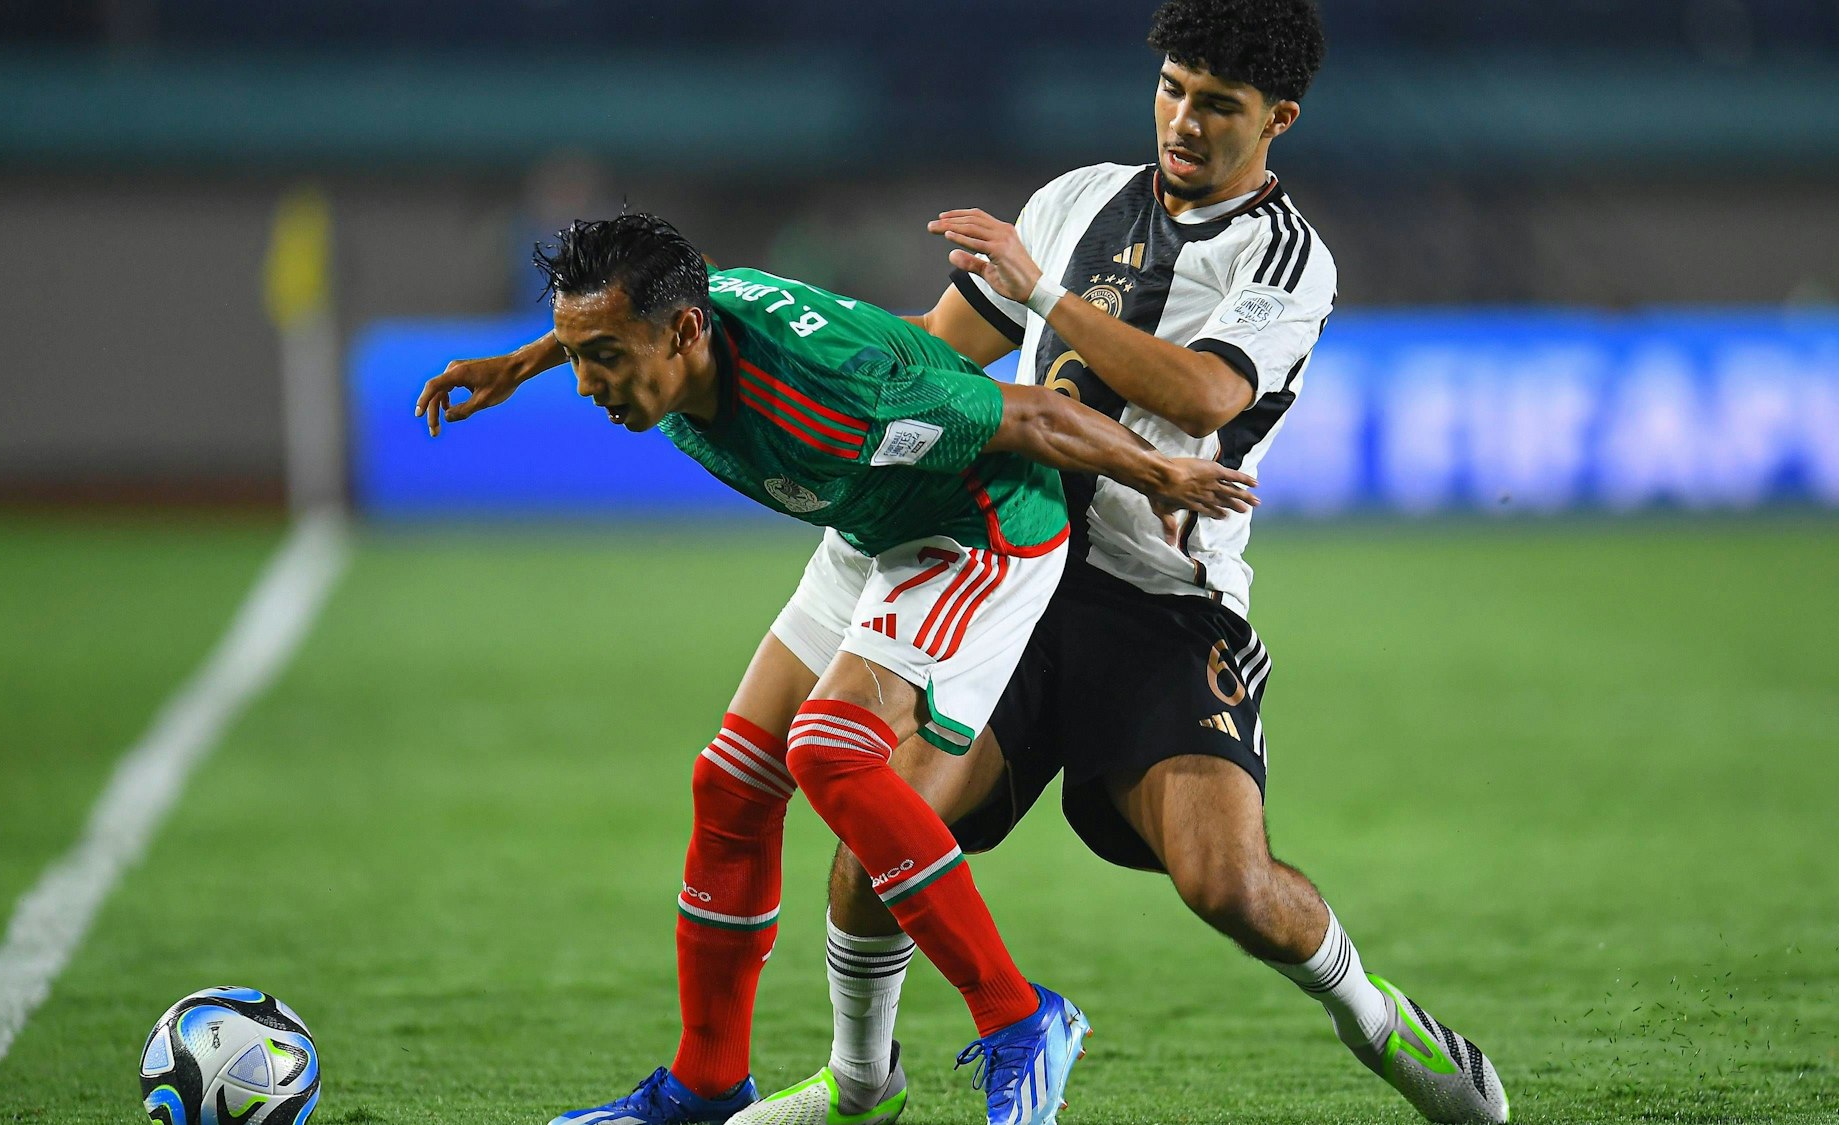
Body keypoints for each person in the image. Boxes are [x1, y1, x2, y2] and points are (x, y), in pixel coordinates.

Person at [735, 2, 1509, 1124]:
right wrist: (787, 360)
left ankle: (1375, 1018)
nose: (1182, 121)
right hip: (1011, 578)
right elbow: (935, 349)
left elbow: (1202, 393)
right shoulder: (1074, 199)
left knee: (1226, 884)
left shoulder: (1284, 256)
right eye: (1171, 89)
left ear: (1276, 119)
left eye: (1217, 105)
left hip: (1161, 608)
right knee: (880, 825)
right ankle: (860, 1085)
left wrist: (1045, 295)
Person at [413, 213, 1260, 1125]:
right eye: (580, 354)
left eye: (606, 358)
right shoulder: (681, 317)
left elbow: (1037, 415)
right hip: (873, 520)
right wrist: (517, 363)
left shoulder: (834, 392)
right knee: (731, 782)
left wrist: (1160, 475)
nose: (590, 383)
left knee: (828, 750)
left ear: (686, 332)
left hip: (981, 525)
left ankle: (1021, 1017)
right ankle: (704, 1086)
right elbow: (610, 319)